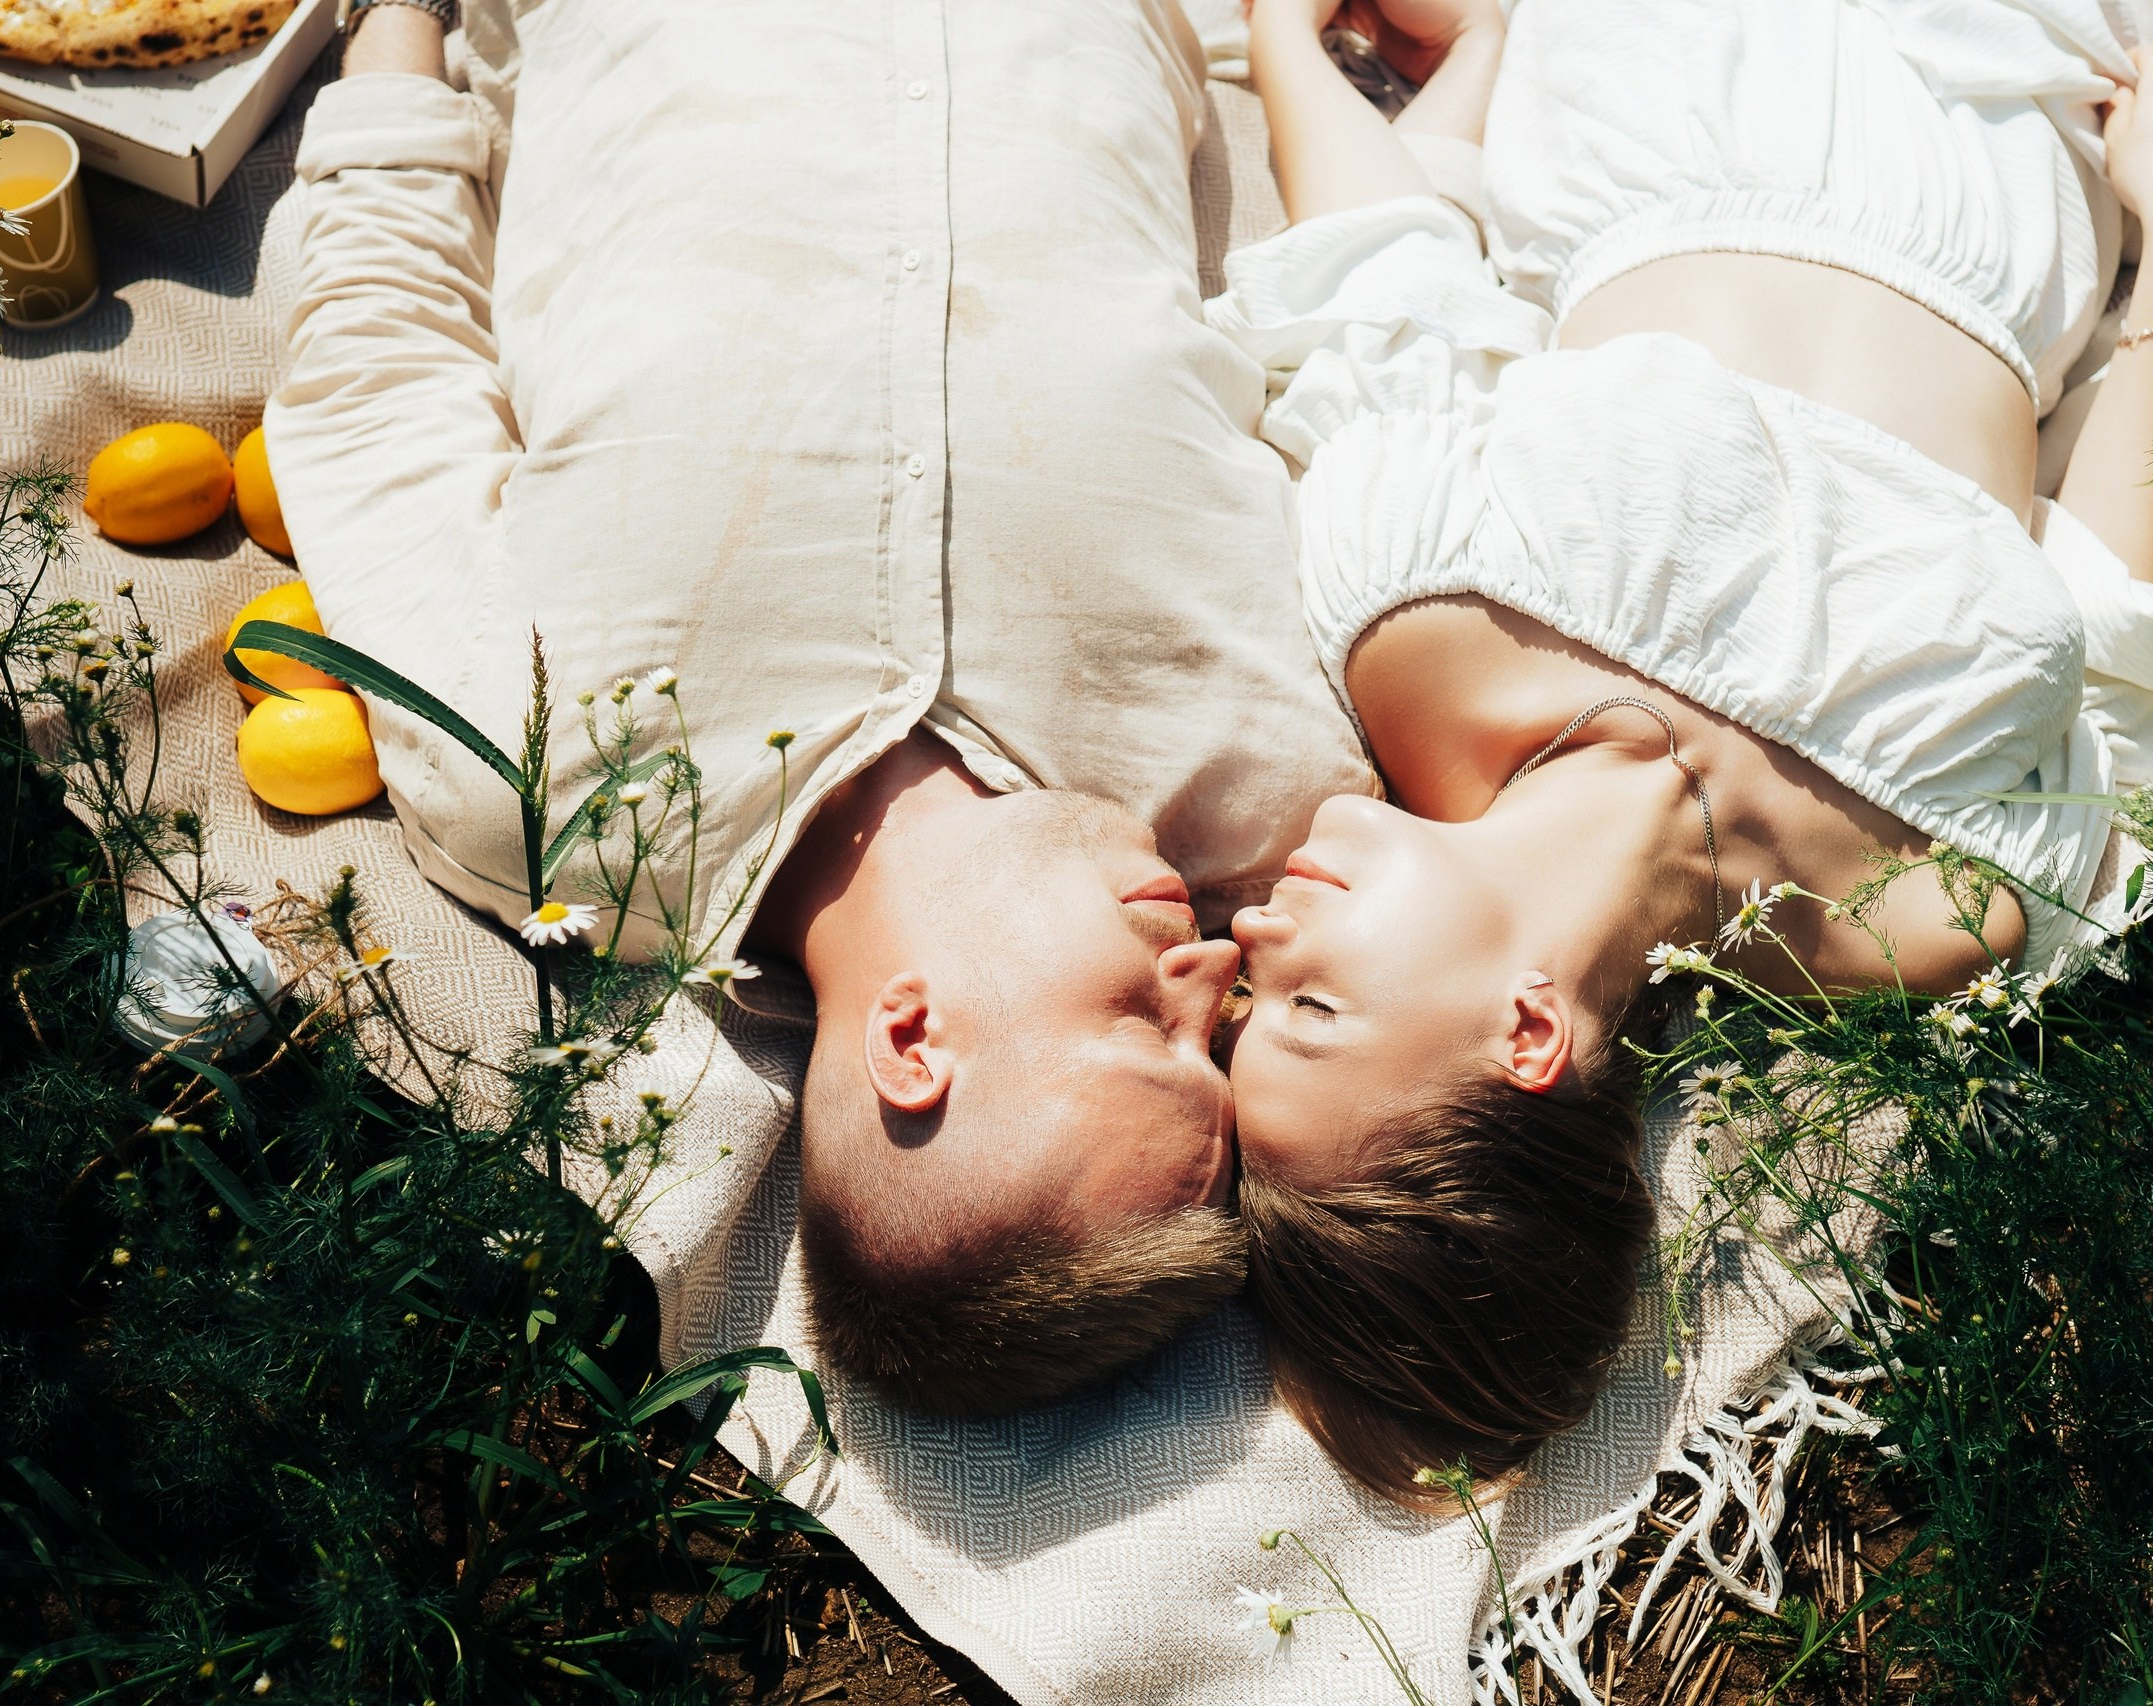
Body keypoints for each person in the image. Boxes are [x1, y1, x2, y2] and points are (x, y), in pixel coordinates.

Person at [264, 0, 1375, 1414]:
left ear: (913, 1041)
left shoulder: (538, 789)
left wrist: (397, 27)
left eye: (1143, 1029)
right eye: (1214, 1041)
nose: (1218, 981)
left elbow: (376, 377)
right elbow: (1355, 345)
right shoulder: (1273, 778)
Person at [1215, 0, 2153, 1499]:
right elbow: (2121, 594)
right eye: (1304, 999)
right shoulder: (1932, 913)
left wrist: (1286, 37)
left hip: (1652, 79)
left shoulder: (1400, 630)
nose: (1249, 926)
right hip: (1999, 134)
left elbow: (1380, 283)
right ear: (1528, 1035)